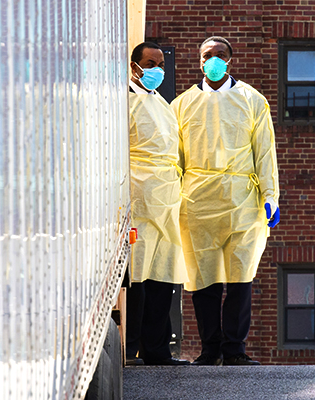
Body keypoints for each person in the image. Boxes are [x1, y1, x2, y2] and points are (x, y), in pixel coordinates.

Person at [171, 36, 280, 366]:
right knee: (203, 280)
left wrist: (270, 195)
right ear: (199, 60)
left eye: (220, 55)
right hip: (197, 200)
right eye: (208, 55)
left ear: (230, 61)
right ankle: (210, 348)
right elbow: (174, 159)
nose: (213, 61)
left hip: (242, 200)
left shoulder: (252, 100)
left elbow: (264, 152)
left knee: (239, 278)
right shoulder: (182, 105)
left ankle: (235, 349)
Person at [125, 42, 190, 366]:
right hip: (140, 193)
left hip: (167, 196)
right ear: (134, 65)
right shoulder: (124, 100)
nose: (157, 70)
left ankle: (157, 350)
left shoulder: (161, 103)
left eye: (161, 63)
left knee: (163, 276)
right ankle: (132, 348)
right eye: (150, 63)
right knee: (138, 276)